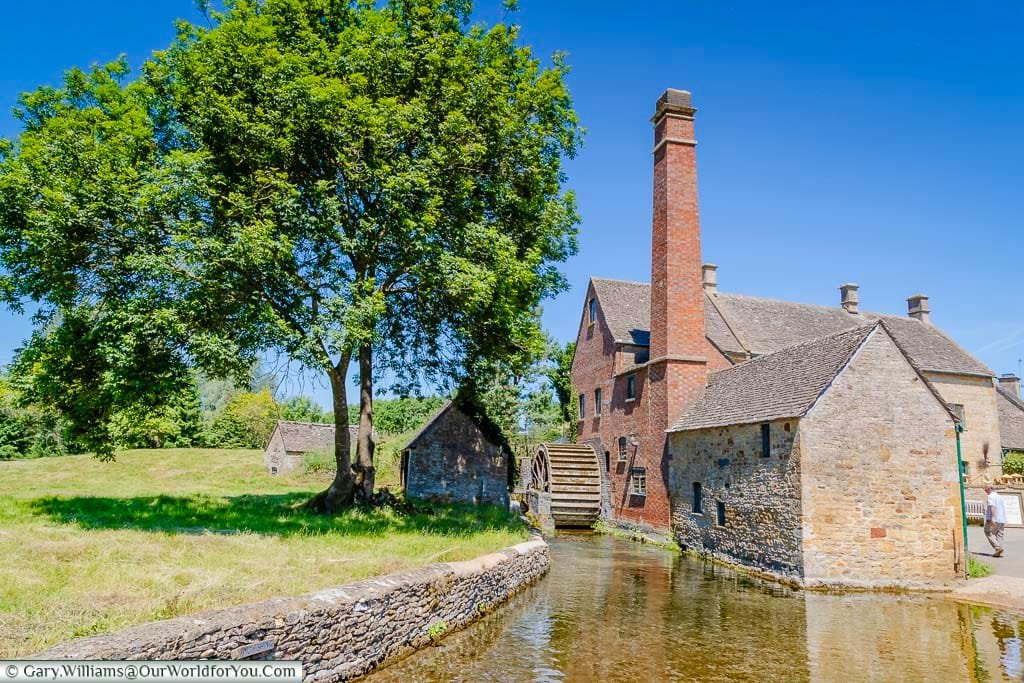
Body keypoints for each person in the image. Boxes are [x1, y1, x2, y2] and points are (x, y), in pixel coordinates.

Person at [984, 484, 1007, 558]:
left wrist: (992, 518)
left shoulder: (990, 496)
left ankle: (997, 547)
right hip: (1001, 519)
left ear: (990, 489)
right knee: (999, 535)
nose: (985, 490)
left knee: (987, 532)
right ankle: (999, 550)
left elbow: (992, 507)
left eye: (986, 489)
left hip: (993, 518)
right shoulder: (1000, 497)